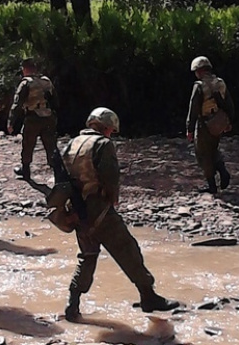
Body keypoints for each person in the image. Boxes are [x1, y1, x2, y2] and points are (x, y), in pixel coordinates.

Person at [58, 107, 181, 322]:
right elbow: (110, 177)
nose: (110, 134)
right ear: (106, 127)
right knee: (128, 250)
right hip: (99, 209)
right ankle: (148, 296)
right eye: (111, 130)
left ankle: (72, 305)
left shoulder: (72, 143)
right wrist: (113, 199)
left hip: (76, 211)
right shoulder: (103, 144)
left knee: (87, 256)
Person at [186, 56, 234, 194]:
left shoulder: (199, 86)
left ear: (199, 71)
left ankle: (212, 185)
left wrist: (189, 129)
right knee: (213, 148)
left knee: (202, 153)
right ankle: (223, 171)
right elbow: (229, 104)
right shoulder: (220, 83)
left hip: (205, 124)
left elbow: (193, 109)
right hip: (219, 122)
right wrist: (229, 121)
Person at [9, 58, 58, 180]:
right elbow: (55, 100)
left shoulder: (26, 83)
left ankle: (25, 172)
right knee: (51, 145)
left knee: (28, 144)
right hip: (48, 116)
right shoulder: (46, 81)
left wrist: (10, 122)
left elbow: (17, 104)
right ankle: (58, 173)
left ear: (24, 69)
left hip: (33, 117)